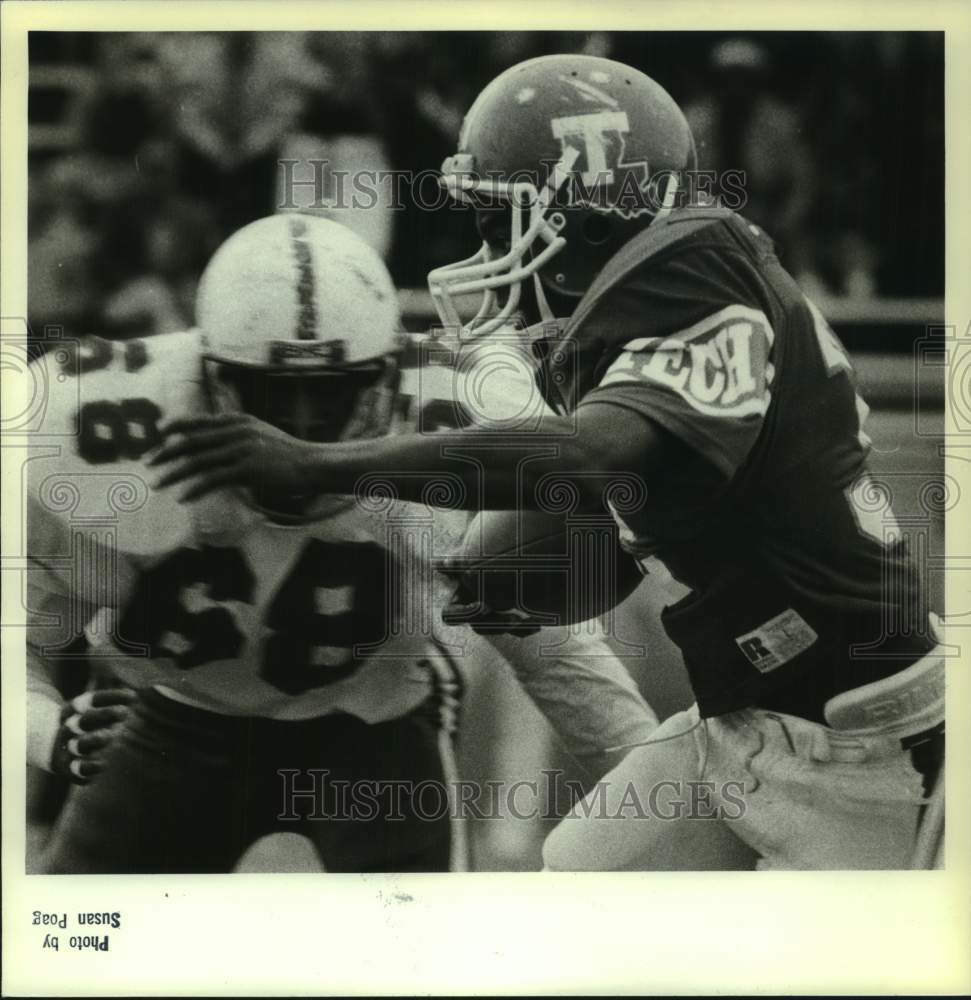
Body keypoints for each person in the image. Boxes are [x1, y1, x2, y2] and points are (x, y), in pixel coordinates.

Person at [151, 54, 946, 871]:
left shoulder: (686, 266)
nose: (487, 243)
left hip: (857, 739)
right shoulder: (661, 290)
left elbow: (591, 458)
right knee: (578, 879)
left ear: (588, 211)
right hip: (764, 716)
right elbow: (640, 511)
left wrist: (321, 465)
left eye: (502, 217)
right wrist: (514, 575)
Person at [26, 212, 659, 874]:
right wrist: (50, 732)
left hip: (371, 724)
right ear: (212, 380)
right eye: (273, 395)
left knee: (418, 964)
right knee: (79, 953)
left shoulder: (443, 425)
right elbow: (24, 642)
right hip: (172, 722)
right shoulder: (110, 431)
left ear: (386, 379)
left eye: (330, 395)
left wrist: (661, 808)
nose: (300, 427)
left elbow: (555, 657)